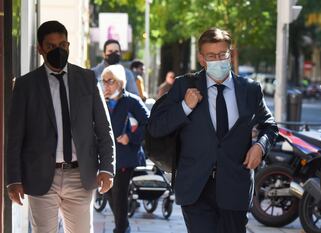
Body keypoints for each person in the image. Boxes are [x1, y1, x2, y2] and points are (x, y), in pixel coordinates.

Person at [147, 28, 278, 233]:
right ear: (202, 59)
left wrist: (260, 147)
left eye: (222, 54)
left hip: (235, 186)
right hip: (195, 186)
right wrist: (185, 107)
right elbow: (156, 127)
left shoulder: (250, 89)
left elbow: (269, 126)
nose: (218, 60)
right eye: (211, 56)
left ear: (230, 54)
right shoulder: (184, 85)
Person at [6, 20, 115, 233]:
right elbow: (15, 137)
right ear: (40, 49)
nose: (58, 50)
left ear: (68, 45)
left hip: (80, 174)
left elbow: (104, 127)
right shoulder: (25, 85)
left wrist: (107, 168)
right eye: (51, 46)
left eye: (63, 45)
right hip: (40, 176)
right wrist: (13, 179)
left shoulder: (87, 79)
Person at [101, 64, 149, 233]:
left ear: (120, 83)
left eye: (110, 81)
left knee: (119, 196)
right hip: (106, 157)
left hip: (125, 156)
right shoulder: (101, 102)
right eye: (104, 81)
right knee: (108, 193)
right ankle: (124, 226)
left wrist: (130, 137)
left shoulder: (131, 101)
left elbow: (148, 123)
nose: (106, 85)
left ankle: (121, 229)